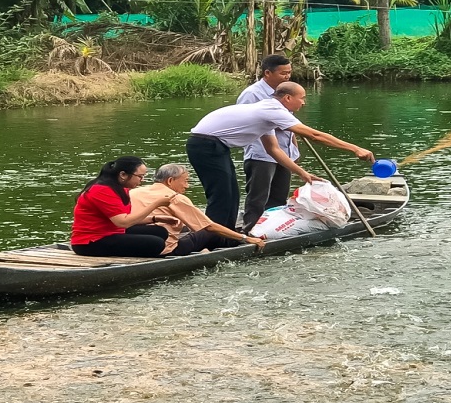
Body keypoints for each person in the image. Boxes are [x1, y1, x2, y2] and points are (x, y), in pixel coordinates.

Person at [186, 81, 375, 231]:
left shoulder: (266, 113)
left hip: (214, 146)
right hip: (205, 145)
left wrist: (302, 173)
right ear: (287, 98)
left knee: (231, 195)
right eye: (302, 98)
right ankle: (213, 237)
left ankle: (226, 236)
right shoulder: (273, 110)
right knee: (222, 196)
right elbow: (314, 135)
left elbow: (273, 150)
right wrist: (354, 148)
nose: (304, 102)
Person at [130, 164, 265, 256]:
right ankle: (233, 246)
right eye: (185, 181)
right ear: (170, 180)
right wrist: (244, 238)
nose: (187, 186)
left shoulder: (134, 192)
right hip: (166, 249)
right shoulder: (175, 197)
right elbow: (209, 227)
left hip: (137, 244)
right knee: (211, 232)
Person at [71, 156, 178, 257]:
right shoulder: (102, 190)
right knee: (156, 243)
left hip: (110, 232)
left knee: (160, 232)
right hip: (90, 243)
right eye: (140, 176)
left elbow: (124, 217)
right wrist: (156, 203)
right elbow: (123, 222)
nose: (142, 180)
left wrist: (155, 218)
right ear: (123, 175)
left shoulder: (119, 189)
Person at [238, 54, 298, 232]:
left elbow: (290, 124)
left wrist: (294, 148)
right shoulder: (252, 94)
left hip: (285, 152)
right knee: (258, 196)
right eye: (283, 73)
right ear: (267, 73)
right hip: (261, 153)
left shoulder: (285, 93)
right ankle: (250, 230)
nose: (287, 77)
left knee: (279, 196)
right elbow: (243, 122)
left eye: (289, 73)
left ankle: (273, 229)